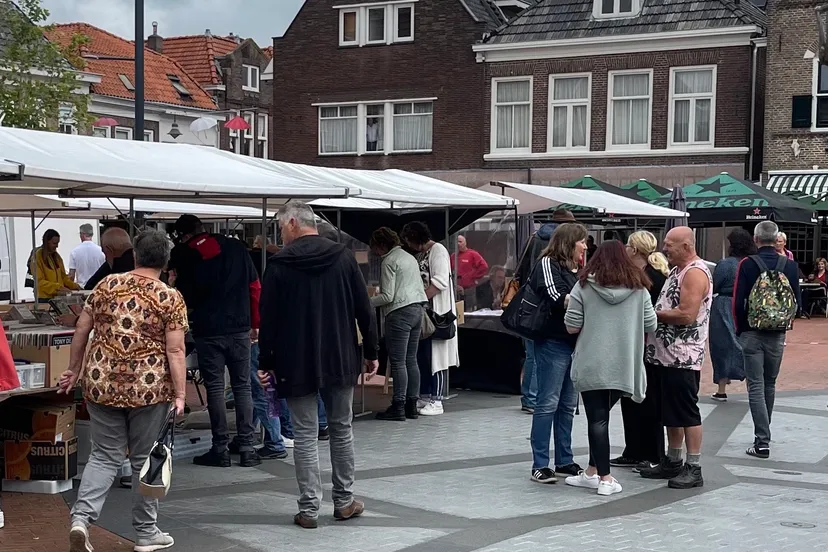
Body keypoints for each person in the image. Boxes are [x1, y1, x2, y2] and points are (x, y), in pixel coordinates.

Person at [59, 229, 188, 552]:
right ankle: (145, 532)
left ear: (134, 255)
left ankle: (81, 519)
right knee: (144, 459)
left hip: (101, 384)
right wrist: (181, 395)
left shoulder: (105, 285)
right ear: (165, 261)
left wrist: (73, 369)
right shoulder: (169, 297)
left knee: (104, 456)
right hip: (149, 389)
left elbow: (81, 329)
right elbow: (175, 351)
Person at [258, 201, 378, 529]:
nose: (280, 234)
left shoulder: (279, 265)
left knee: (306, 435)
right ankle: (344, 500)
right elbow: (363, 308)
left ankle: (309, 508)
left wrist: (265, 360)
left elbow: (268, 319)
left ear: (293, 222)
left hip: (294, 361)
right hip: (339, 356)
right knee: (341, 429)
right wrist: (371, 350)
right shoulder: (343, 257)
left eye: (281, 227)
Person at [564, 240, 657, 496]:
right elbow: (651, 323)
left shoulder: (583, 286)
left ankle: (604, 477)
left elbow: (572, 326)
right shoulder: (640, 288)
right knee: (601, 417)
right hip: (625, 363)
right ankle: (593, 471)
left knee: (597, 419)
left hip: (592, 361)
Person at [169, 214, 261, 469]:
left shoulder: (182, 253)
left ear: (183, 234)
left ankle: (219, 448)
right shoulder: (236, 247)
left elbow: (177, 292)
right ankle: (247, 447)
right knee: (242, 387)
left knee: (216, 389)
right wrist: (255, 322)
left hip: (208, 330)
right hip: (240, 327)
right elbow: (255, 286)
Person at [640, 227, 712, 490]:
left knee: (686, 411)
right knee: (670, 412)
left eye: (670, 244)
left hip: (682, 356)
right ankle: (673, 460)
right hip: (664, 355)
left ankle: (694, 467)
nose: (665, 248)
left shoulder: (694, 272)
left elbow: (686, 315)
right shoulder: (676, 270)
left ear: (686, 246)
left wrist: (651, 314)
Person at [733, 221, 800, 459]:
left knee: (756, 385)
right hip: (778, 332)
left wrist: (740, 329)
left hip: (752, 331)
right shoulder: (790, 266)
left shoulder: (748, 264)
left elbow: (738, 300)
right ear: (776, 239)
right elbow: (797, 303)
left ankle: (762, 441)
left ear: (756, 239)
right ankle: (763, 436)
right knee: (770, 383)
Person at [527, 223, 587, 484]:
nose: (585, 246)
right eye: (582, 242)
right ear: (569, 242)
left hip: (574, 343)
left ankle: (564, 459)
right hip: (553, 341)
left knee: (567, 405)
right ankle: (540, 464)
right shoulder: (547, 264)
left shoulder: (577, 269)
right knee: (547, 402)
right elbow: (555, 296)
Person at [611, 230, 669, 472]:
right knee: (631, 397)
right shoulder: (638, 274)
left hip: (647, 344)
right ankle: (633, 450)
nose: (624, 249)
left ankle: (653, 453)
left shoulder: (651, 276)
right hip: (635, 343)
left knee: (648, 399)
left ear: (634, 250)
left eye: (627, 246)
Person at [516, 208, 576, 414]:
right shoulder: (556, 252)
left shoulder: (534, 237)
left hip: (530, 303)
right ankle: (533, 399)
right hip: (548, 312)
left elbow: (523, 267)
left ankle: (529, 397)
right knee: (540, 356)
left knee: (532, 354)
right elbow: (557, 294)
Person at [401, 222, 459, 417]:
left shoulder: (438, 251)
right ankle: (425, 395)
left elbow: (440, 281)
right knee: (424, 356)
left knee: (437, 356)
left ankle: (437, 399)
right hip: (425, 311)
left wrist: (420, 297)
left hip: (437, 312)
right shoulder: (423, 254)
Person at [369, 227, 427, 421]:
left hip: (399, 312)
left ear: (382, 245)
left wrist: (365, 301)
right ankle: (412, 405)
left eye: (376, 248)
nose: (376, 253)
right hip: (418, 310)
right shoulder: (409, 257)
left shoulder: (389, 261)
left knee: (398, 362)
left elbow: (388, 296)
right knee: (412, 359)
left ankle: (398, 406)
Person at [709, 229, 755, 402]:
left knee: (721, 346)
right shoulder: (751, 263)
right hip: (745, 305)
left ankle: (721, 388)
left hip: (724, 305)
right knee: (747, 345)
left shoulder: (726, 264)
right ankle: (752, 386)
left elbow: (715, 286)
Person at [30, 229, 80, 300]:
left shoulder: (57, 257)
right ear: (47, 242)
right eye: (54, 243)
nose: (57, 246)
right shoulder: (37, 257)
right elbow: (40, 282)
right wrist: (57, 287)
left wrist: (75, 286)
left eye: (57, 243)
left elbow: (63, 277)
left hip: (58, 297)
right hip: (44, 298)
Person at [451, 235, 488, 308]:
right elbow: (449, 271)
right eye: (457, 242)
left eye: (460, 242)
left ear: (465, 243)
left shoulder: (473, 254)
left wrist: (473, 276)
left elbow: (484, 266)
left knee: (469, 310)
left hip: (469, 289)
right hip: (456, 289)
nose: (458, 244)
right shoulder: (453, 256)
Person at [68, 223, 105, 288]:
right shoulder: (101, 251)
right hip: (97, 287)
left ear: (82, 235)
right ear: (92, 234)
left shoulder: (74, 252)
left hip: (82, 288)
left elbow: (71, 276)